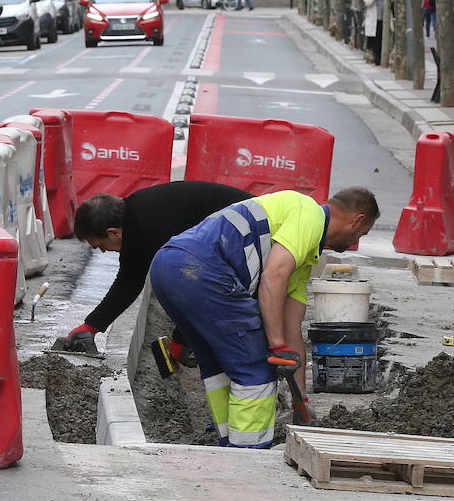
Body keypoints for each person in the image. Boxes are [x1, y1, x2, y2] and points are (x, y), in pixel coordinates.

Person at [148, 188, 380, 447]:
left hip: (168, 265)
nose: (356, 241)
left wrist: (299, 397)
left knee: (220, 363)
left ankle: (228, 443)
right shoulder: (310, 214)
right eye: (363, 233)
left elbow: (292, 328)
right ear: (356, 221)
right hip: (204, 270)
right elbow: (273, 276)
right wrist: (275, 344)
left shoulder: (303, 255)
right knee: (256, 366)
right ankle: (248, 452)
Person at [57, 181, 252, 355]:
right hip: (239, 233)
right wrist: (91, 326)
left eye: (99, 246)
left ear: (113, 233)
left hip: (254, 232)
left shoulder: (150, 227)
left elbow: (191, 285)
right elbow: (129, 281)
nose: (103, 252)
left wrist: (182, 338)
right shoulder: (135, 218)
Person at [363, 0, 384, 65]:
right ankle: (375, 58)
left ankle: (380, 58)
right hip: (373, 18)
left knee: (381, 39)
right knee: (374, 39)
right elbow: (367, 3)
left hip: (383, 18)